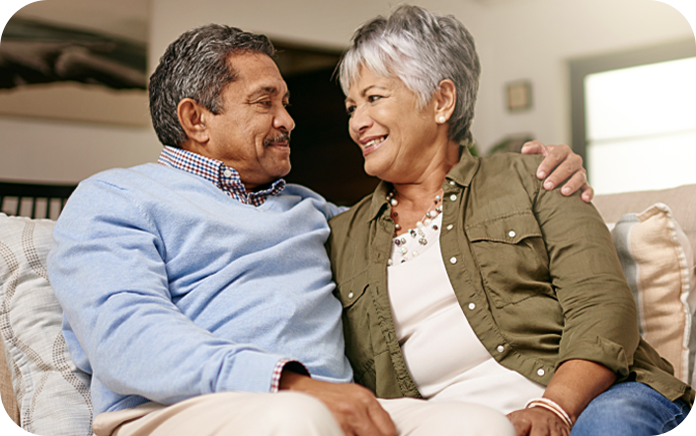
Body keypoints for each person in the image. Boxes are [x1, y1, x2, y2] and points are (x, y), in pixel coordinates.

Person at [48, 23, 588, 436]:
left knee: (476, 426)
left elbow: (425, 222)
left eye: (286, 103)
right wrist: (295, 384)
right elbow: (128, 340)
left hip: (326, 407)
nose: (289, 120)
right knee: (296, 421)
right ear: (196, 119)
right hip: (171, 413)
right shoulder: (115, 198)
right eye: (266, 103)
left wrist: (547, 176)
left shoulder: (313, 211)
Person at [326, 5, 693, 436]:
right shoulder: (339, 235)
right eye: (351, 107)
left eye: (374, 98)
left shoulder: (535, 177)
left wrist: (555, 408)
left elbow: (602, 306)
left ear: (442, 100)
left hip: (592, 399)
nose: (357, 123)